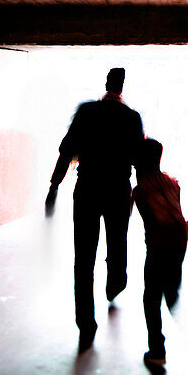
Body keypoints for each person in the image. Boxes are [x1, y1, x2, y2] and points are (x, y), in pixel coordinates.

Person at [45, 67, 144, 351]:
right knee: (117, 242)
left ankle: (85, 322)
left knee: (84, 255)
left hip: (87, 188)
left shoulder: (86, 112)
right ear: (121, 87)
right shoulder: (131, 118)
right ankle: (115, 283)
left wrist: (54, 186)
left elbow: (66, 151)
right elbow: (140, 160)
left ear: (106, 84)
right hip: (117, 189)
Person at [131, 139, 188, 370]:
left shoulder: (141, 190)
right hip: (180, 241)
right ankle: (173, 299)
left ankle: (157, 350)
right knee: (170, 288)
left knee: (151, 298)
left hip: (159, 245)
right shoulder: (172, 182)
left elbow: (149, 221)